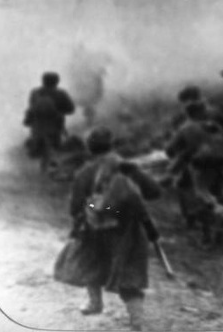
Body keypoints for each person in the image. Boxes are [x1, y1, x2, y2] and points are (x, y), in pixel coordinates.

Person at [67, 127, 161, 331]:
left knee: (91, 263)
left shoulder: (85, 172)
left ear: (89, 148)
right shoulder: (126, 166)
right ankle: (137, 320)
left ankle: (94, 302)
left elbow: (75, 207)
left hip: (95, 228)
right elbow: (154, 192)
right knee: (129, 271)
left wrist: (94, 208)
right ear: (112, 145)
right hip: (128, 228)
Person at [165, 101, 223, 243]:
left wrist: (182, 155)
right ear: (199, 112)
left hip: (200, 164)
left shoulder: (185, 128)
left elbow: (169, 150)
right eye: (204, 110)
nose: (207, 112)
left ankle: (208, 231)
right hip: (220, 163)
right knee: (215, 193)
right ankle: (220, 227)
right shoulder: (213, 125)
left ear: (189, 113)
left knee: (201, 197)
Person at [23, 72, 76, 172]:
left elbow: (31, 106)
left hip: (37, 126)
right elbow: (71, 109)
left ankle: (36, 156)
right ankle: (51, 169)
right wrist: (60, 111)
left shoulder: (35, 92)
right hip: (55, 126)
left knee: (37, 145)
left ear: (43, 81)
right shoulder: (61, 93)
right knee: (55, 148)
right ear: (57, 82)